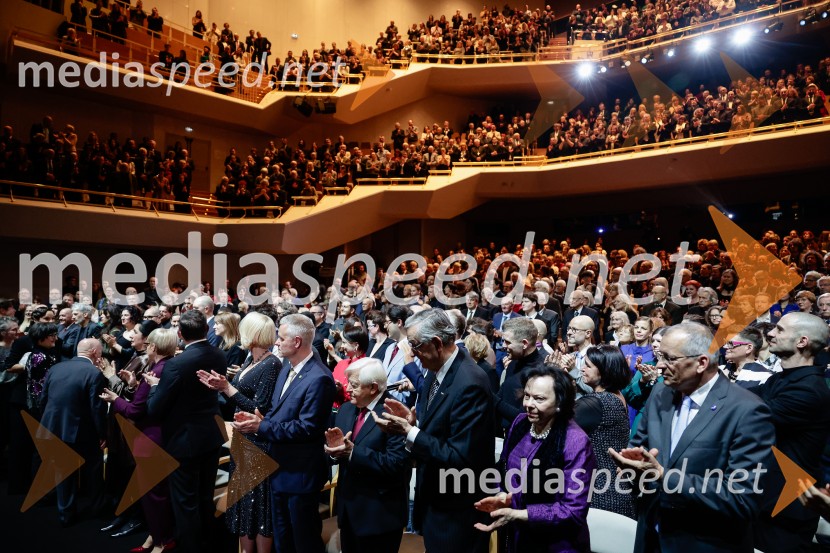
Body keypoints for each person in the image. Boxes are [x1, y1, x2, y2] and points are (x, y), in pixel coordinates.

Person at [609, 323, 776, 553]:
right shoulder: (661, 393)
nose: (659, 366)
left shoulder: (747, 411)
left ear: (701, 363)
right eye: (659, 356)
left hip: (705, 543)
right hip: (651, 538)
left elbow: (743, 499)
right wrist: (631, 469)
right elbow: (640, 446)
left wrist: (664, 476)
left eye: (669, 358)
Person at [375, 308, 494, 553]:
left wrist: (409, 431)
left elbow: (460, 457)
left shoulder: (470, 382)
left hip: (456, 509)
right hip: (434, 500)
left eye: (415, 346)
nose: (414, 355)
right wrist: (412, 422)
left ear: (437, 343)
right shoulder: (435, 369)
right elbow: (436, 429)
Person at [233, 314, 335, 553]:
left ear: (297, 341)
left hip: (300, 473)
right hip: (279, 466)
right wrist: (260, 418)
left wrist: (261, 427)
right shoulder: (288, 367)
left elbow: (307, 427)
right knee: (282, 539)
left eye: (281, 338)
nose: (276, 342)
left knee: (303, 539)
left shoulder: (319, 378)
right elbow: (278, 413)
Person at [474, 365, 595, 552]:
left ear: (560, 403)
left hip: (555, 544)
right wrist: (502, 496)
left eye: (539, 399)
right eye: (527, 395)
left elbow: (573, 511)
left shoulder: (575, 441)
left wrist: (520, 513)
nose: (529, 404)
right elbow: (504, 467)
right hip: (517, 538)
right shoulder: (521, 422)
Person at [197, 312, 281, 553]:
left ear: (253, 334)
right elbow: (240, 396)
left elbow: (260, 408)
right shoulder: (251, 359)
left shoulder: (271, 363)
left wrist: (227, 387)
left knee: (259, 507)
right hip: (242, 439)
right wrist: (221, 386)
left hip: (258, 443)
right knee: (246, 505)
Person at [147, 310, 227, 553]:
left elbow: (155, 409)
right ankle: (208, 543)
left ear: (180, 334)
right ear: (206, 330)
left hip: (184, 441)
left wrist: (154, 387)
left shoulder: (175, 364)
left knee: (185, 503)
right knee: (204, 496)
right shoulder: (219, 354)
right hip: (211, 436)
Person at [749, 312, 830, 553]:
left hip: (784, 510)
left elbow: (748, 413)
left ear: (802, 342)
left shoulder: (810, 392)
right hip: (761, 500)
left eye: (780, 330)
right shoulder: (778, 380)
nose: (771, 334)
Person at [101, 329, 177, 553]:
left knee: (153, 495)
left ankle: (163, 541)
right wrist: (134, 386)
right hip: (161, 437)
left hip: (151, 440)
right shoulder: (169, 367)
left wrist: (115, 399)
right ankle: (156, 536)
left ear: (153, 347)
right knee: (157, 493)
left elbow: (134, 411)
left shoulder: (158, 370)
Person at [324, 358, 409, 553]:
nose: (347, 388)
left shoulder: (394, 413)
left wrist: (353, 452)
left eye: (354, 385)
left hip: (379, 515)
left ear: (373, 388)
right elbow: (341, 452)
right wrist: (335, 452)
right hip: (349, 510)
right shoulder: (346, 409)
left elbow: (396, 465)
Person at [39, 338, 108, 526]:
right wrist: (103, 434)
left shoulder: (56, 368)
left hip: (53, 427)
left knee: (63, 473)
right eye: (101, 350)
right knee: (93, 471)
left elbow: (43, 399)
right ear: (94, 352)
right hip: (82, 431)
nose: (102, 354)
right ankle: (97, 509)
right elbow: (97, 408)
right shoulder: (93, 373)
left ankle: (65, 515)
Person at [576, 345, 634, 518]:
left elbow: (550, 422)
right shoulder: (616, 395)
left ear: (603, 371)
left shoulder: (596, 402)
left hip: (601, 492)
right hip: (614, 487)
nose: (582, 368)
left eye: (587, 365)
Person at [494, 318, 546, 432]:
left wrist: (491, 399)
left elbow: (524, 417)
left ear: (524, 343)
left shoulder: (539, 373)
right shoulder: (514, 362)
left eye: (507, 342)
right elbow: (503, 393)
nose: (503, 345)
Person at [331, 326, 368, 408]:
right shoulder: (342, 364)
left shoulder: (365, 367)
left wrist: (341, 390)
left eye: (344, 343)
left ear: (356, 345)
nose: (342, 346)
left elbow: (361, 396)